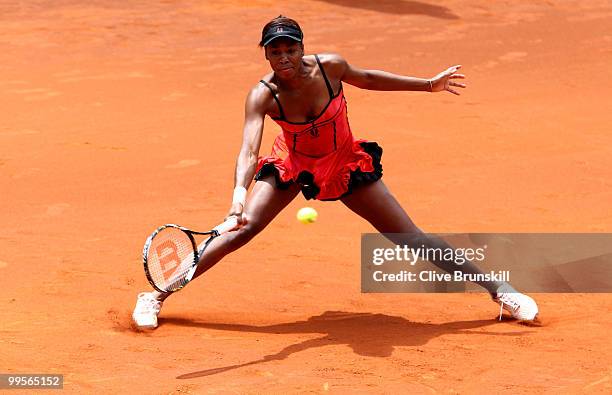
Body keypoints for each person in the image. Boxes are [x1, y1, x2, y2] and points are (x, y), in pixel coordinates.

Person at [133, 16, 539, 329]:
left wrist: (427, 85)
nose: (284, 58)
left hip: (344, 163)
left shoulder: (331, 67)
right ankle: (155, 296)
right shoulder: (263, 95)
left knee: (411, 237)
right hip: (292, 164)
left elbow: (369, 79)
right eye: (275, 52)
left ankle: (501, 291)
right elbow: (248, 147)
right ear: (266, 56)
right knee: (241, 230)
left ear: (301, 48)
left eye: (289, 49)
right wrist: (238, 197)